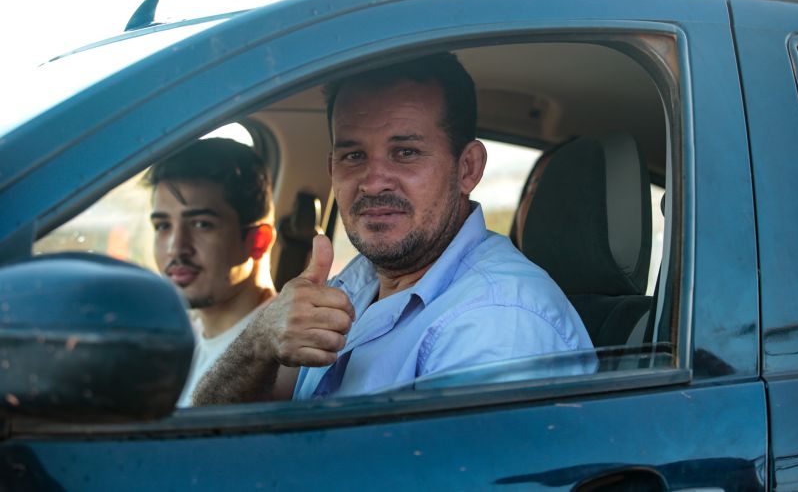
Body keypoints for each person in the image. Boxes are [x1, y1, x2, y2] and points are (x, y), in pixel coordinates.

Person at [193, 52, 594, 405]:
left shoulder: (498, 322)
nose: (373, 181)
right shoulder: (353, 286)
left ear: (467, 168)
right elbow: (210, 433)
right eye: (354, 155)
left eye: (406, 152)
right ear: (332, 169)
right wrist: (258, 341)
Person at [145, 138, 294, 406]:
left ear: (258, 241)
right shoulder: (178, 337)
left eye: (202, 224)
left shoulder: (283, 357)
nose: (176, 248)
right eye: (162, 226)